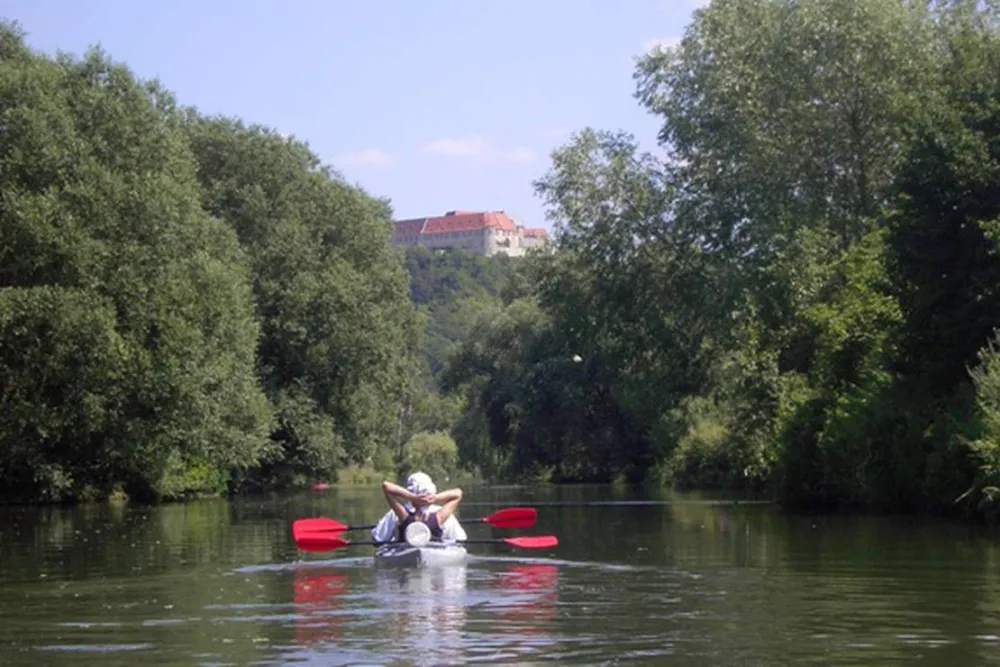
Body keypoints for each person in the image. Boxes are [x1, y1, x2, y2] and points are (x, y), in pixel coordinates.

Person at [371, 471, 467, 544]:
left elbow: (386, 486)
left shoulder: (402, 515)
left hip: (404, 556)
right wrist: (436, 498)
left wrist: (411, 496)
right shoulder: (439, 516)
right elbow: (460, 540)